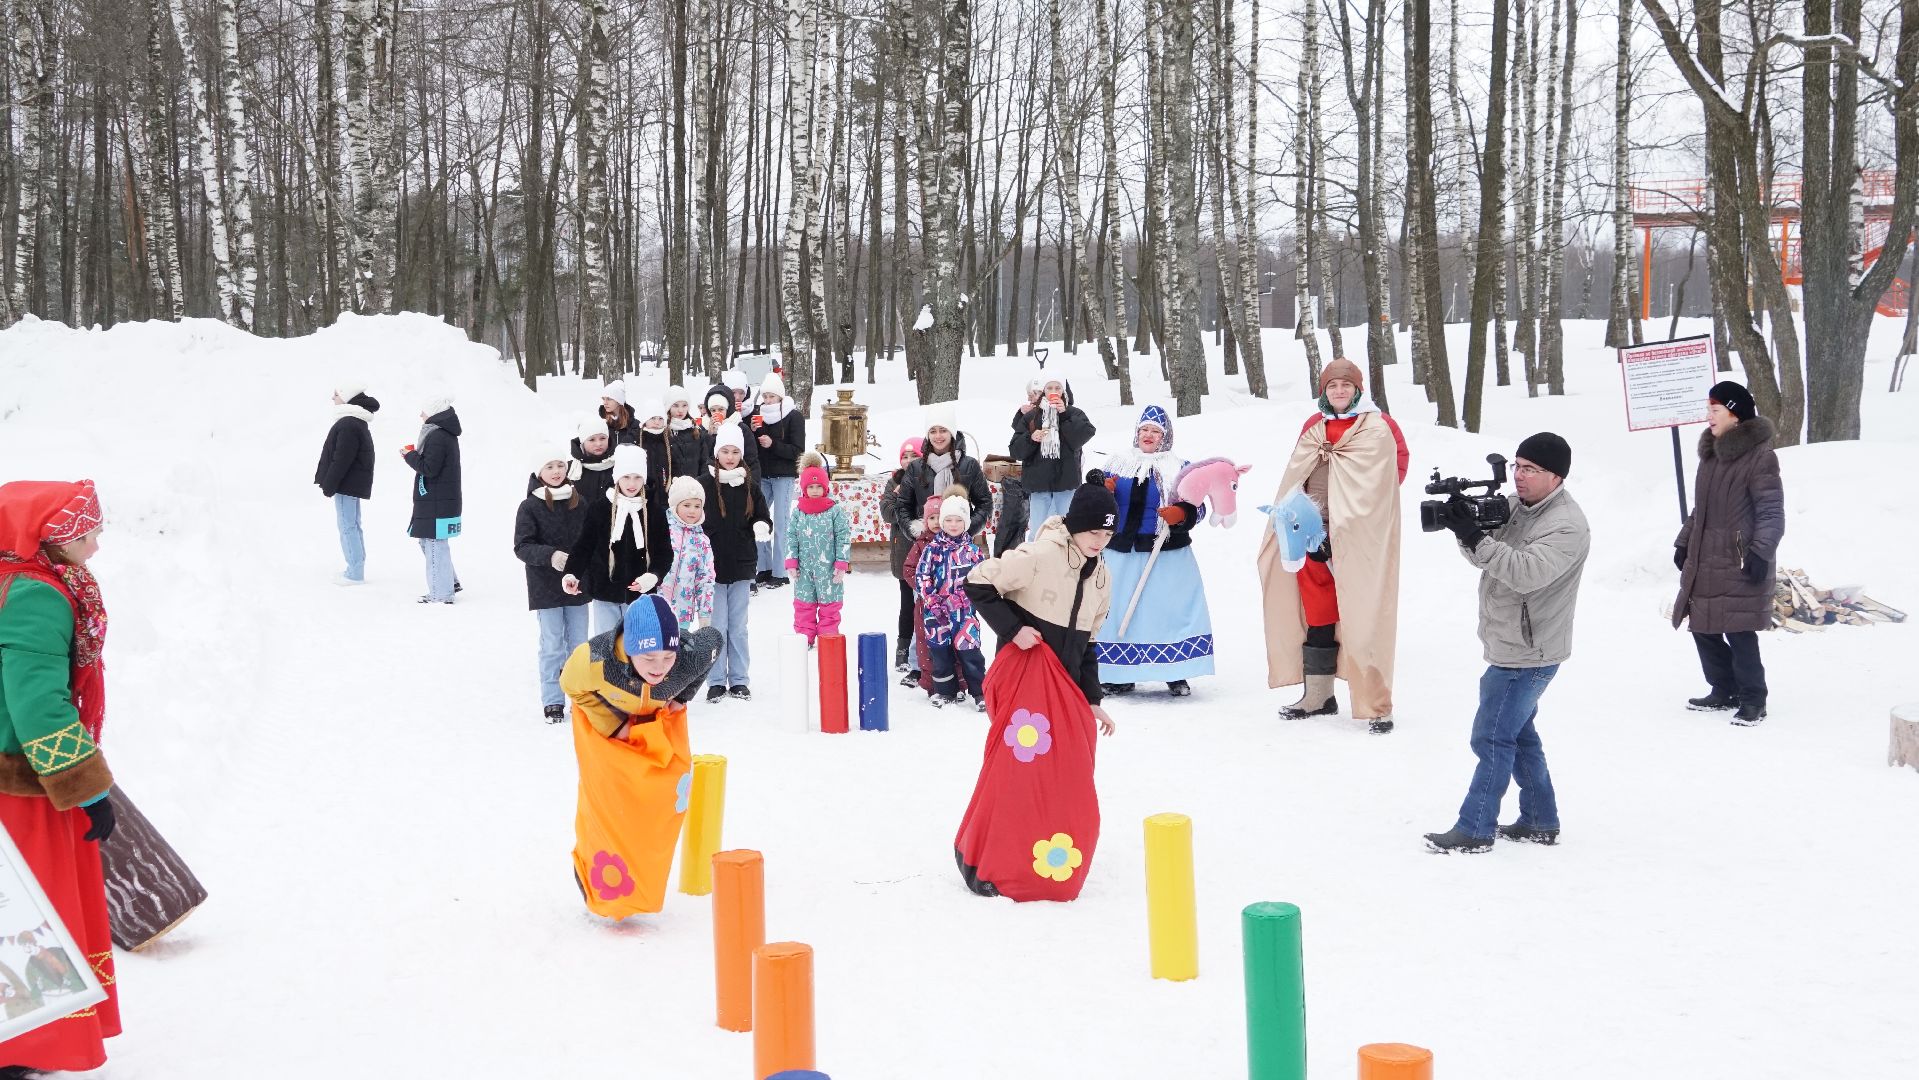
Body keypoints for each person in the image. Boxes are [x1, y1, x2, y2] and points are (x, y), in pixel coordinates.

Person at [0, 479, 122, 1074]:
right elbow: (37, 704)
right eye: (88, 531)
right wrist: (89, 788)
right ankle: (23, 1044)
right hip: (23, 787)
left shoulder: (15, 580)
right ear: (53, 536)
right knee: (31, 916)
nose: (97, 542)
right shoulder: (35, 594)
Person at [954, 471, 1119, 901]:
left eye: (1106, 532)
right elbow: (977, 581)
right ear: (1074, 526)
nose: (1099, 540)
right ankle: (987, 860)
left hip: (1064, 688)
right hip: (1027, 673)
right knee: (1017, 773)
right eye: (1092, 531)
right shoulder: (1041, 553)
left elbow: (1087, 644)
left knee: (1067, 776)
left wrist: (1093, 699)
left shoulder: (1101, 576)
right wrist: (1014, 630)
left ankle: (1048, 860)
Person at [1423, 433, 1590, 854]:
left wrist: (1476, 538)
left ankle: (1476, 828)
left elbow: (1523, 572)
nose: (1519, 476)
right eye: (1517, 466)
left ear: (1557, 476)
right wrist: (1467, 530)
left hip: (1531, 650)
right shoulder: (1518, 507)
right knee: (1517, 735)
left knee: (1492, 737)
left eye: (1530, 469)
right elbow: (1485, 555)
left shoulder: (1566, 524)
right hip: (1509, 640)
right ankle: (1539, 818)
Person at [1258, 357, 1410, 734]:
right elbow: (1298, 472)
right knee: (1318, 612)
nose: (1339, 391)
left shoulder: (1379, 426)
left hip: (1359, 536)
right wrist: (1302, 521)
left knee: (1363, 614)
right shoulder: (1314, 427)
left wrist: (1357, 513)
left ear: (1358, 389)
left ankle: (1376, 704)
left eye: (1346, 385)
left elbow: (1394, 471)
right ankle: (1319, 695)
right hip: (1313, 533)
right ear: (1323, 390)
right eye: (1332, 386)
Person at [560, 594, 722, 919]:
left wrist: (683, 695)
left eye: (666, 657)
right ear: (629, 648)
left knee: (662, 804)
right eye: (648, 658)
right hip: (608, 736)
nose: (659, 668)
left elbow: (713, 643)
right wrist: (613, 723)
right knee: (608, 806)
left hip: (653, 728)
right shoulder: (595, 660)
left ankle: (643, 888)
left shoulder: (688, 657)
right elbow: (569, 684)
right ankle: (591, 873)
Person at [1673, 381, 1783, 727]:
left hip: (1738, 558)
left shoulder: (1760, 457)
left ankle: (1753, 698)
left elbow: (1771, 511)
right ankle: (1724, 688)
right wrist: (1683, 541)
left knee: (1738, 629)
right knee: (1703, 626)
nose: (1709, 417)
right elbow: (1700, 510)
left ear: (1735, 415)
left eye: (1715, 410)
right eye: (1708, 409)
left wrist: (1760, 552)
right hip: (1706, 558)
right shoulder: (1710, 455)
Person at [1095, 406, 1212, 697]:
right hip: (1122, 552)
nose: (1149, 435)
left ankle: (1175, 671)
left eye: (1155, 431)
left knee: (1167, 611)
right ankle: (1120, 674)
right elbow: (1095, 505)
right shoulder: (1118, 465)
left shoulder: (1181, 468)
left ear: (1166, 436)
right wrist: (1102, 491)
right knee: (1119, 611)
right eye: (1144, 429)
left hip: (1165, 554)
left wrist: (1181, 514)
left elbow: (1198, 507)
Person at [514, 450, 593, 723]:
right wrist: (551, 556)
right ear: (539, 472)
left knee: (580, 645)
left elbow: (590, 540)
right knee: (552, 645)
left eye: (561, 465)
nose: (557, 471)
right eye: (550, 466)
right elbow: (522, 546)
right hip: (545, 587)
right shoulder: (529, 506)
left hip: (577, 586)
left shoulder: (579, 501)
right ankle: (553, 700)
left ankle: (580, 698)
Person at [562, 443, 673, 637]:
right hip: (605, 591)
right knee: (606, 647)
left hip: (641, 593)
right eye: (626, 477)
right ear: (617, 477)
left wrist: (653, 575)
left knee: (638, 647)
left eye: (638, 477)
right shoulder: (600, 508)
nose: (632, 483)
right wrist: (572, 573)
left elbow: (664, 552)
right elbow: (584, 546)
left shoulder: (653, 511)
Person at [700, 427, 773, 703]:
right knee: (716, 626)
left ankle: (740, 679)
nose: (729, 457)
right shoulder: (704, 484)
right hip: (712, 568)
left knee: (738, 626)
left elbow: (763, 516)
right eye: (725, 451)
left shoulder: (750, 486)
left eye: (735, 452)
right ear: (716, 452)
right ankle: (716, 680)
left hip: (741, 564)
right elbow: (691, 515)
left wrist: (760, 526)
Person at [916, 490, 989, 711]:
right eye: (948, 520)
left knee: (970, 652)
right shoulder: (932, 550)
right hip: (936, 614)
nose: (953, 524)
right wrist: (931, 599)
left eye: (958, 520)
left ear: (966, 523)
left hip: (964, 613)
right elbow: (922, 575)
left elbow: (981, 579)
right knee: (940, 653)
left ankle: (980, 692)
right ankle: (945, 691)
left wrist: (963, 598)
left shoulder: (974, 552)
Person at [888, 407, 992, 548]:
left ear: (952, 432)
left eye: (943, 430)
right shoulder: (916, 467)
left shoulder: (969, 465)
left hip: (961, 546)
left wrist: (965, 529)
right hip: (925, 545)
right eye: (933, 431)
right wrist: (916, 533)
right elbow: (903, 505)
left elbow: (984, 504)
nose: (938, 436)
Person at [1008, 376, 1096, 542]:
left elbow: (1083, 436)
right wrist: (1031, 438)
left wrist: (1064, 415)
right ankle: (1036, 563)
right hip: (1039, 485)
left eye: (1058, 388)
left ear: (1063, 391)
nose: (1054, 392)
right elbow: (1015, 450)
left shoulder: (1074, 413)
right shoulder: (1032, 417)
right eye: (1050, 388)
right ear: (1043, 392)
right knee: (1038, 532)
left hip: (1066, 485)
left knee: (1067, 531)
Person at [314, 383, 379, 586]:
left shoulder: (349, 423)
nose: (332, 398)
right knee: (352, 525)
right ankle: (355, 567)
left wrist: (330, 484)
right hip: (351, 483)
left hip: (346, 484)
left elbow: (342, 458)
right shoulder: (354, 422)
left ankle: (354, 572)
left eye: (336, 394)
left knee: (347, 526)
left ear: (346, 397)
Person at [784, 454, 852, 646]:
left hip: (828, 569)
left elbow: (843, 536)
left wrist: (841, 562)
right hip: (804, 569)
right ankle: (804, 636)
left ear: (826, 487)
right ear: (804, 489)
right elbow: (791, 537)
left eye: (819, 486)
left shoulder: (834, 511)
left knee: (830, 604)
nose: (815, 490)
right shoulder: (798, 511)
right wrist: (791, 561)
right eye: (810, 487)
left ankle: (828, 635)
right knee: (804, 603)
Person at [403, 394, 463, 605]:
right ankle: (449, 582)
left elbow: (429, 468)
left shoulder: (438, 436)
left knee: (434, 543)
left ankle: (441, 593)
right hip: (437, 499)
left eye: (424, 411)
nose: (421, 415)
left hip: (437, 500)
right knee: (428, 541)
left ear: (434, 413)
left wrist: (409, 455)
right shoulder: (444, 434)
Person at [751, 372, 805, 589]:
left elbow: (798, 450)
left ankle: (780, 570)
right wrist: (754, 433)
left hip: (784, 475)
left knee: (781, 522)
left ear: (781, 397)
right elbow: (753, 449)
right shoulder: (759, 415)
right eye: (765, 396)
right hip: (763, 475)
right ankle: (763, 567)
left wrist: (772, 444)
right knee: (760, 520)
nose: (768, 400)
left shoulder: (794, 416)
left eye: (772, 396)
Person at [880, 438, 924, 671]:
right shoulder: (893, 482)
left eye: (913, 456)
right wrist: (898, 495)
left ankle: (925, 647)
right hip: (904, 550)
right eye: (904, 457)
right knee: (907, 603)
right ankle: (903, 647)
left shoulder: (926, 479)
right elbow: (887, 513)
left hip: (925, 550)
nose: (908, 461)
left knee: (925, 603)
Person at [660, 474, 715, 647]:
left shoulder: (701, 541)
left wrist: (704, 615)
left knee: (677, 659)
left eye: (697, 506)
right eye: (687, 505)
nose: (692, 511)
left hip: (683, 614)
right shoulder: (661, 530)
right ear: (675, 505)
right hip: (655, 609)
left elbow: (705, 579)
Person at [901, 495, 946, 691]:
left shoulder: (950, 542)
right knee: (920, 632)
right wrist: (922, 588)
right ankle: (916, 666)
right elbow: (909, 569)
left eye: (940, 517)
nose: (936, 522)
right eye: (932, 518)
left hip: (946, 598)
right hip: (923, 596)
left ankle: (945, 669)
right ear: (925, 521)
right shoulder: (921, 544)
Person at [572, 418, 616, 506]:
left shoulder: (621, 465)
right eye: (592, 439)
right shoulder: (570, 469)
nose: (598, 444)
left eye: (603, 438)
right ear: (583, 442)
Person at [664, 386, 705, 477]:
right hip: (672, 488)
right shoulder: (664, 432)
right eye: (675, 405)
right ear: (668, 407)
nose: (680, 410)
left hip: (695, 487)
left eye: (684, 405)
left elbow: (704, 462)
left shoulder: (696, 430)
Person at [600, 380, 640, 446]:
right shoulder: (601, 423)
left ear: (619, 401)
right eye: (603, 399)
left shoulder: (635, 425)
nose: (605, 402)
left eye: (609, 399)